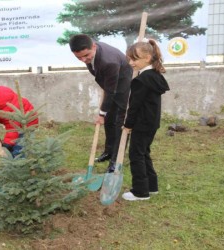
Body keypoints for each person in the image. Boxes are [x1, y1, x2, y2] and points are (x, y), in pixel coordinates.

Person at [69, 34, 133, 172]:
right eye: (79, 57)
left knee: (119, 122)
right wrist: (105, 114)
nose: (83, 60)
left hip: (123, 84)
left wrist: (101, 114)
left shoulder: (108, 61)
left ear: (93, 46)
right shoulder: (90, 51)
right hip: (109, 82)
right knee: (109, 120)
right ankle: (108, 152)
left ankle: (116, 159)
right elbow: (106, 86)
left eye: (86, 55)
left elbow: (111, 91)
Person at [121, 40, 170, 201]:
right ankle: (152, 186)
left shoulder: (142, 80)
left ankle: (140, 191)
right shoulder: (154, 76)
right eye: (130, 59)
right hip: (151, 123)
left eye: (134, 59)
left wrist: (128, 124)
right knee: (144, 152)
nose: (131, 62)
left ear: (148, 58)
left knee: (136, 155)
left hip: (141, 123)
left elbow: (134, 106)